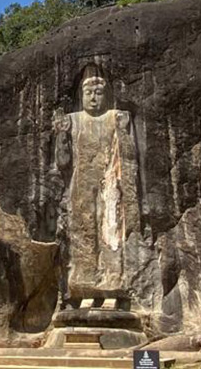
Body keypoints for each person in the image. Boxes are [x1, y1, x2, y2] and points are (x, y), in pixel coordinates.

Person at [53, 69, 139, 308]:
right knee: (83, 236)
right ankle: (85, 288)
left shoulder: (115, 117)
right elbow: (62, 162)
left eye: (98, 93)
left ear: (107, 95)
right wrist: (61, 136)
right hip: (81, 185)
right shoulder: (74, 120)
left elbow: (129, 156)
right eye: (88, 93)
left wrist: (123, 131)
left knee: (111, 233)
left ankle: (112, 288)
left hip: (110, 183)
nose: (92, 98)